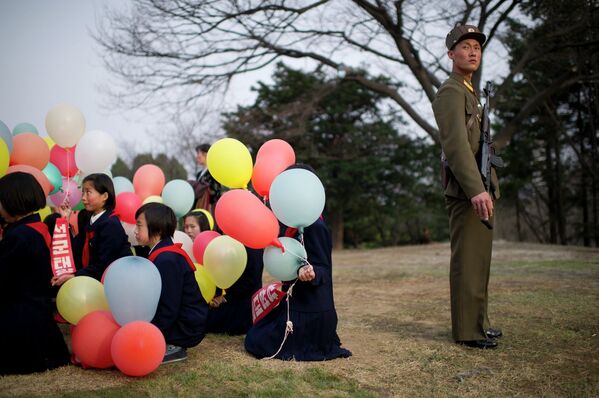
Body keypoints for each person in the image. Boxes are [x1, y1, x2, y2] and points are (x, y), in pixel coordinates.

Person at [432, 24, 502, 349]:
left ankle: (479, 322)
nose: (473, 51)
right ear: (451, 54)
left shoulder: (468, 90)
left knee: (480, 260)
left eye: (477, 46)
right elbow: (457, 146)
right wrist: (476, 189)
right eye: (465, 46)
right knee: (467, 260)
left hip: (481, 184)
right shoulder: (450, 91)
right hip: (466, 189)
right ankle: (468, 331)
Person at [244, 164, 352, 361]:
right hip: (295, 303)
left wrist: (310, 272)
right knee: (256, 331)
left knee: (255, 341)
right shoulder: (292, 222)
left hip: (311, 310)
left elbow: (324, 270)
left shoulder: (315, 225)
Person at [0, 172, 70, 374]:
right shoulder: (36, 228)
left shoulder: (20, 236)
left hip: (19, 325)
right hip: (38, 318)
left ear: (12, 201)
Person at [134, 203, 208, 363]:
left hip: (186, 326)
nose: (135, 230)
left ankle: (173, 346)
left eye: (139, 226)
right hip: (179, 319)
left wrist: (151, 336)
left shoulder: (167, 259)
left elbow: (169, 307)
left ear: (158, 229)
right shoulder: (161, 253)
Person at [51, 173, 132, 286]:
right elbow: (75, 249)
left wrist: (74, 276)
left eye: (88, 192)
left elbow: (103, 264)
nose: (83, 198)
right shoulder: (90, 220)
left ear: (104, 196)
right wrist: (65, 219)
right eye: (83, 192)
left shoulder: (111, 225)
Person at [206, 247, 263, 335]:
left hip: (243, 303)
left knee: (207, 320)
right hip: (239, 298)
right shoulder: (247, 246)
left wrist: (224, 297)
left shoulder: (251, 249)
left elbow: (248, 283)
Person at [191, 143, 221, 211]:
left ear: (207, 154)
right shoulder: (199, 174)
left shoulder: (213, 172)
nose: (197, 156)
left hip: (210, 207)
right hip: (199, 206)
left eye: (199, 153)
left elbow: (216, 192)